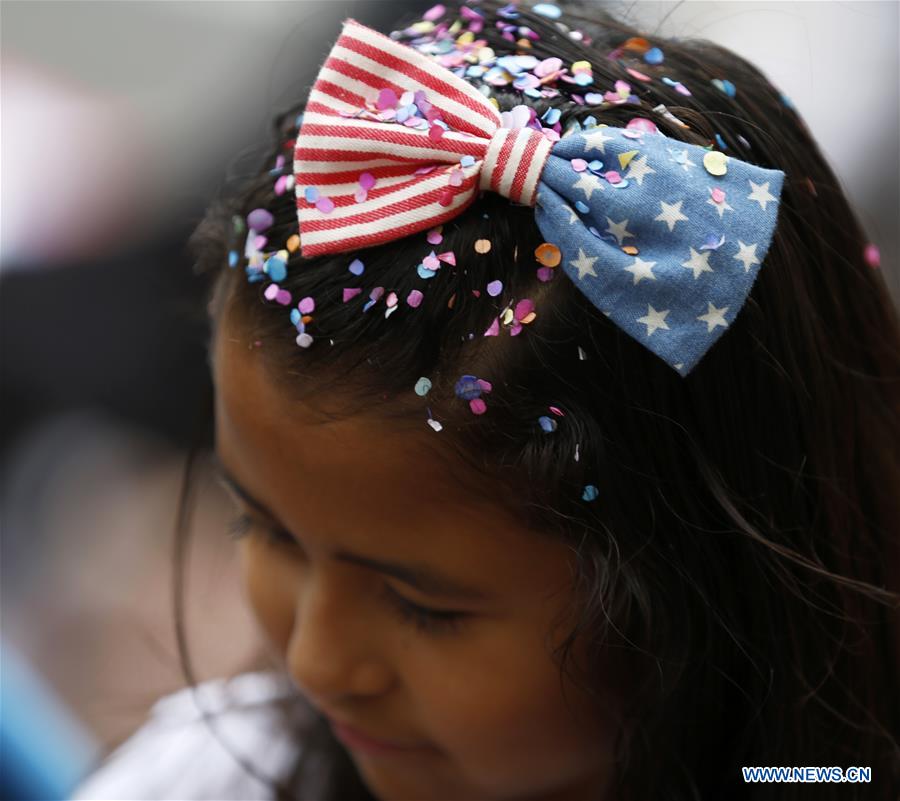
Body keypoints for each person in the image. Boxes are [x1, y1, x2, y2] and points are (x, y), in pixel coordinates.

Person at [71, 1, 900, 799]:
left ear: (703, 588)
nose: (318, 664)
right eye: (265, 528)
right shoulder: (217, 776)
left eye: (422, 606)